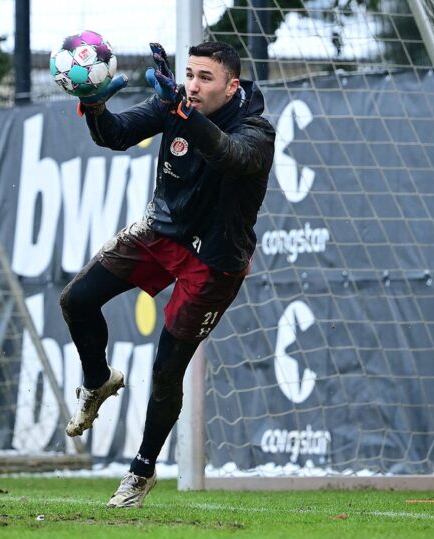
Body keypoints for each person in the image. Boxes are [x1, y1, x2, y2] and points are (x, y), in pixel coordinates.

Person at [59, 41, 276, 508]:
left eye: (205, 79)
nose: (193, 87)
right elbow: (115, 135)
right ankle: (98, 381)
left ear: (231, 86)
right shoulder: (174, 101)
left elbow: (231, 157)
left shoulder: (257, 130)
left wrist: (185, 114)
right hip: (162, 233)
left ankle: (141, 472)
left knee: (165, 371)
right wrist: (96, 107)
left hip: (214, 262)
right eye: (190, 75)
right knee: (75, 301)